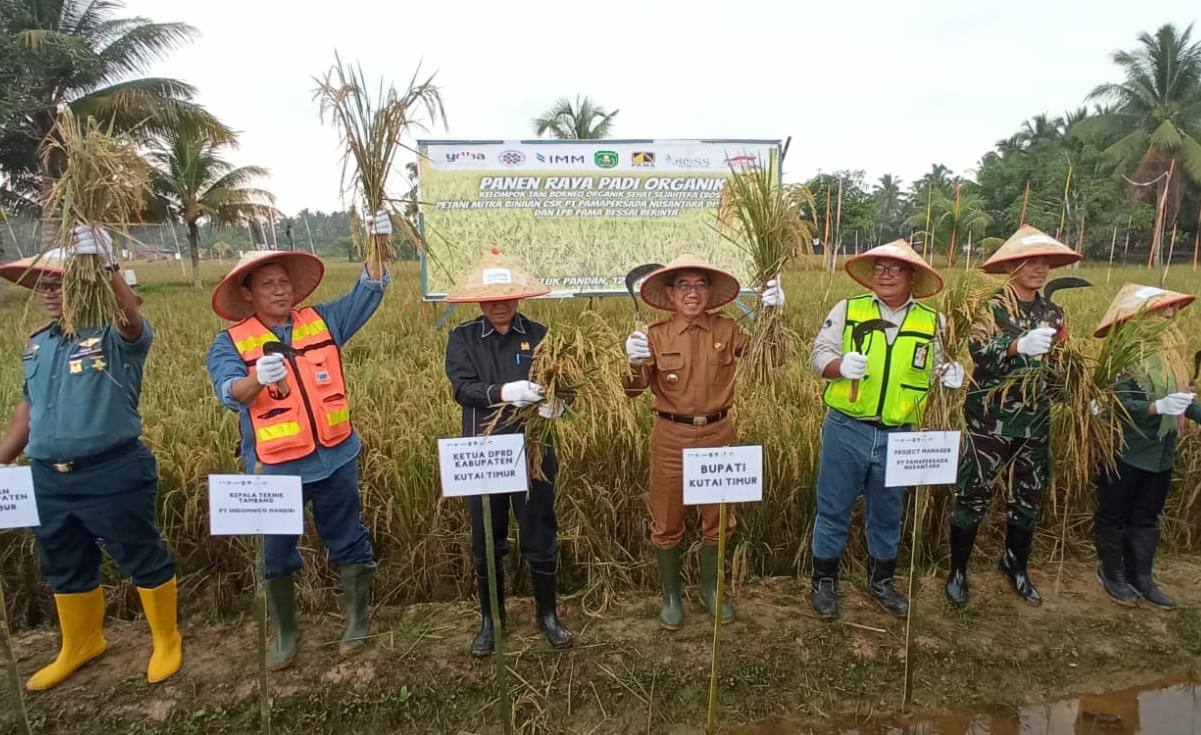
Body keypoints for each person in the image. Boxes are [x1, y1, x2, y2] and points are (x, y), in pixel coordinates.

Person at [204, 211, 391, 669]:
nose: (279, 289)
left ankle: (356, 620)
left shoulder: (322, 321)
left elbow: (367, 291)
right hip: (276, 468)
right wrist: (256, 378)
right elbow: (230, 394)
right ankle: (286, 632)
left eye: (283, 281)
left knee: (348, 537)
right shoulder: (230, 343)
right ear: (248, 293)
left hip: (337, 456)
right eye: (267, 284)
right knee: (276, 552)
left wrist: (380, 240)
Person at [0, 229, 181, 690]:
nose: (48, 293)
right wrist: (3, 458)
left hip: (112, 470)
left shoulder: (115, 336)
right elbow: (28, 410)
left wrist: (105, 263)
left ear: (88, 284)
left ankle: (166, 638)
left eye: (58, 282)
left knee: (139, 552)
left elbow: (130, 315)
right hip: (48, 476)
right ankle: (82, 644)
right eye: (42, 284)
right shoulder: (36, 344)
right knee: (63, 560)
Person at [622, 254, 782, 628]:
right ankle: (672, 595)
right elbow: (632, 390)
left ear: (710, 293)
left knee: (719, 518)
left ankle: (710, 590)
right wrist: (631, 361)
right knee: (666, 518)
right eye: (684, 285)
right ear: (671, 294)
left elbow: (769, 361)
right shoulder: (654, 336)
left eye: (700, 285)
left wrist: (774, 318)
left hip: (718, 434)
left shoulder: (728, 331)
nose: (692, 293)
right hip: (670, 436)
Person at [809, 239, 962, 619]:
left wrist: (952, 374)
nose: (885, 274)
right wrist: (839, 366)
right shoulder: (849, 310)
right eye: (879, 267)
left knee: (889, 512)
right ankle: (824, 584)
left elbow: (939, 367)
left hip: (900, 433)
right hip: (847, 428)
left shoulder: (933, 322)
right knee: (833, 509)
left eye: (895, 268)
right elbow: (818, 356)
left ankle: (881, 583)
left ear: (912, 276)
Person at [443, 248, 573, 655]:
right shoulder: (462, 338)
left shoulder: (540, 334)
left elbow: (562, 383)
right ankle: (491, 620)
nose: (499, 304)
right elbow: (461, 389)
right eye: (491, 297)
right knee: (486, 538)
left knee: (539, 533)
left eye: (507, 296)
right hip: (483, 452)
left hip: (533, 449)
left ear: (518, 297)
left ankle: (547, 615)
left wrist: (560, 403)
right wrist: (502, 392)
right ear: (479, 301)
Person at [946, 225, 1081, 607]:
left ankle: (1015, 565)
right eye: (1031, 261)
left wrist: (1075, 389)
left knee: (1028, 496)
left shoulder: (1054, 313)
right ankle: (958, 570)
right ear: (1012, 266)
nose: (1039, 268)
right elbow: (977, 351)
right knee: (973, 493)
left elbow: (1057, 367)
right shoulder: (990, 307)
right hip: (989, 421)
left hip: (1035, 421)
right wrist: (1015, 345)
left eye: (1044, 262)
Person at [1091, 283, 1198, 609]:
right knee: (1114, 512)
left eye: (1172, 309)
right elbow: (1114, 403)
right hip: (1125, 450)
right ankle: (1111, 573)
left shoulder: (1171, 357)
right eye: (1162, 309)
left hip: (1161, 452)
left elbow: (1184, 400)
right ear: (1140, 316)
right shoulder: (1122, 355)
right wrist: (1155, 407)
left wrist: (1183, 405)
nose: (1170, 314)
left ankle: (1142, 577)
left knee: (1147, 515)